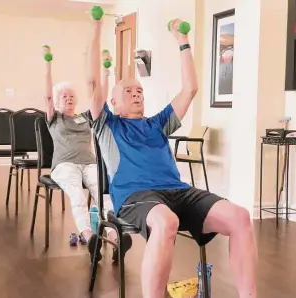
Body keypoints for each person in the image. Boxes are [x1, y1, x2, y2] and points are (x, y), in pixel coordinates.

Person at [88, 18, 258, 298]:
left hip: (178, 192)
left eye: (139, 90)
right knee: (166, 221)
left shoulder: (158, 123)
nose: (136, 94)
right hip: (136, 196)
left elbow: (190, 89)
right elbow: (94, 83)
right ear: (113, 103)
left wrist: (182, 40)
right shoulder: (108, 126)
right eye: (128, 91)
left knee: (239, 217)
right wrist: (96, 29)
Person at [42, 36, 131, 263]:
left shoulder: (84, 117)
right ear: (58, 102)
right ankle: (90, 237)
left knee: (104, 195)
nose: (69, 99)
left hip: (89, 163)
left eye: (72, 96)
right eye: (64, 97)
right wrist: (48, 64)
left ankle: (115, 237)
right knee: (78, 196)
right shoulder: (54, 118)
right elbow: (47, 96)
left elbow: (99, 100)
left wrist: (106, 71)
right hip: (64, 165)